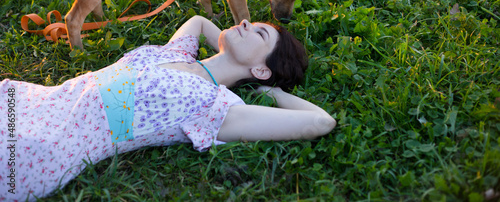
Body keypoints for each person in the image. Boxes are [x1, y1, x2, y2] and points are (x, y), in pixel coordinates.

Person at [0, 16, 336, 201]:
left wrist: (269, 89)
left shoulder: (215, 107)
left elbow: (319, 122)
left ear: (262, 68)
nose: (246, 21)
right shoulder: (176, 53)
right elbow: (200, 21)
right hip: (27, 101)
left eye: (259, 32)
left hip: (40, 145)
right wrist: (238, 58)